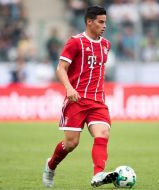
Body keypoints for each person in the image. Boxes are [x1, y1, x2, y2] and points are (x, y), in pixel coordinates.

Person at [42, 6, 118, 188]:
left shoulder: (106, 45)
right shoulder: (75, 42)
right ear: (89, 22)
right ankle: (51, 165)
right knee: (71, 143)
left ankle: (98, 175)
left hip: (98, 100)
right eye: (100, 22)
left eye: (105, 22)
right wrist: (69, 88)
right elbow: (61, 68)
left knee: (103, 134)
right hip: (76, 100)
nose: (104, 25)